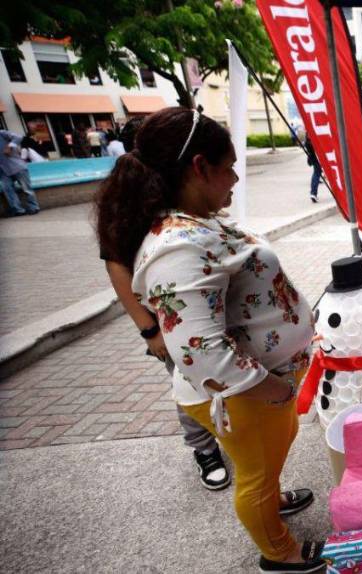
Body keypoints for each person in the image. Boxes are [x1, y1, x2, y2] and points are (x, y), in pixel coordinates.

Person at [94, 107, 325, 573]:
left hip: (258, 391)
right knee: (256, 475)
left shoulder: (191, 222)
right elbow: (202, 354)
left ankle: (272, 503)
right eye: (228, 167)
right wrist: (276, 388)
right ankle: (279, 552)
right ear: (199, 167)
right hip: (248, 393)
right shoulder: (177, 246)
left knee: (268, 456)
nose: (236, 178)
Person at [97, 114, 230, 493]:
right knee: (189, 381)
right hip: (171, 321)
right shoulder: (129, 201)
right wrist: (150, 329)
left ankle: (236, 440)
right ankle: (205, 449)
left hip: (212, 311)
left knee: (222, 379)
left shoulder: (180, 191)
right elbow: (117, 267)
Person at [0, 130, 41, 216]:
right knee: (7, 189)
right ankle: (18, 210)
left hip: (17, 166)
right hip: (3, 171)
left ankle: (34, 207)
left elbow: (18, 137)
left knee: (26, 189)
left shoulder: (2, 133)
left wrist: (10, 146)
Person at [306, 137, 322, 203]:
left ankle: (313, 193)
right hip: (318, 150)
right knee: (317, 172)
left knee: (316, 172)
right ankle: (313, 193)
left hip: (313, 152)